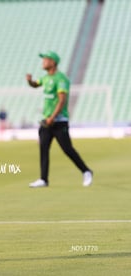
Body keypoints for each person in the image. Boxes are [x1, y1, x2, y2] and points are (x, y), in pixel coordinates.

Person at [26, 51, 93, 187]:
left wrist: (53, 117)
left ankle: (86, 171)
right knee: (43, 148)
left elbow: (62, 100)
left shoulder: (61, 79)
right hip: (46, 121)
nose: (43, 62)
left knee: (67, 149)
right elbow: (36, 84)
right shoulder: (45, 78)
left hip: (59, 121)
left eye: (45, 60)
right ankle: (43, 179)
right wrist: (30, 81)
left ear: (53, 62)